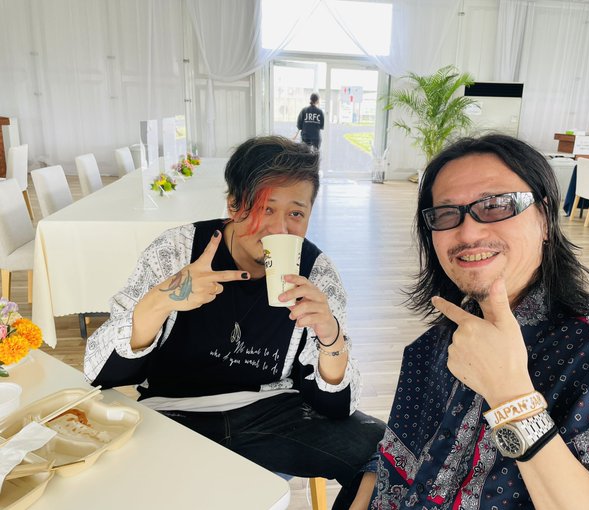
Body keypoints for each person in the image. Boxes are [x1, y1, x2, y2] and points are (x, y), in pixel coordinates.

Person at [369, 134, 589, 509]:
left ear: (545, 219)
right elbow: (399, 459)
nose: (467, 233)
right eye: (447, 214)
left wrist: (511, 396)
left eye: (496, 205)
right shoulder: (438, 342)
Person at [84, 135, 384, 510]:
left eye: (296, 214)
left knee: (391, 453)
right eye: (265, 208)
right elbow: (99, 373)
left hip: (271, 415)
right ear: (233, 205)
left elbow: (336, 408)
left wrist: (330, 336)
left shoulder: (316, 274)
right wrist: (161, 301)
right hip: (173, 415)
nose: (279, 228)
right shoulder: (178, 250)